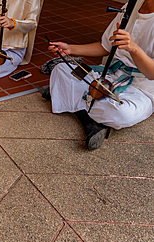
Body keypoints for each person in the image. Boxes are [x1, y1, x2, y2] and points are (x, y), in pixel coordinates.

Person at [46, 0, 154, 150]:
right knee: (61, 68)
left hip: (142, 88)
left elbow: (152, 73)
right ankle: (88, 115)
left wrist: (134, 49)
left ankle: (74, 103)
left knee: (123, 114)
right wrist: (70, 49)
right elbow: (105, 46)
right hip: (111, 74)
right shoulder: (132, 5)